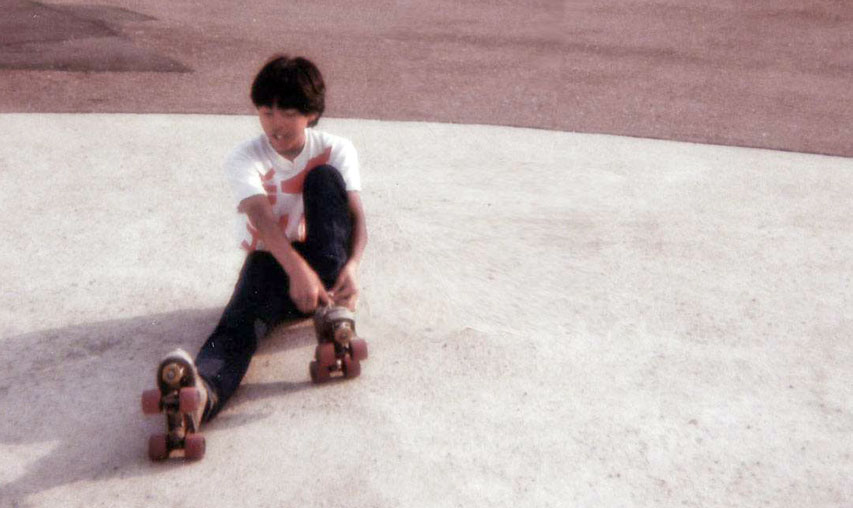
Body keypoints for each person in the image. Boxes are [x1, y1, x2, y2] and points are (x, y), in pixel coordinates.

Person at [152, 54, 367, 431]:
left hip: (326, 273)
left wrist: (352, 265)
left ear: (311, 114)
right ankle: (200, 394)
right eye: (266, 112)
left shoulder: (336, 148)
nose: (275, 124)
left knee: (325, 178)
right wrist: (296, 271)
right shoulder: (244, 157)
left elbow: (356, 215)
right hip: (274, 267)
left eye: (287, 112)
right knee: (236, 327)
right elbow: (260, 216)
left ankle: (333, 311)